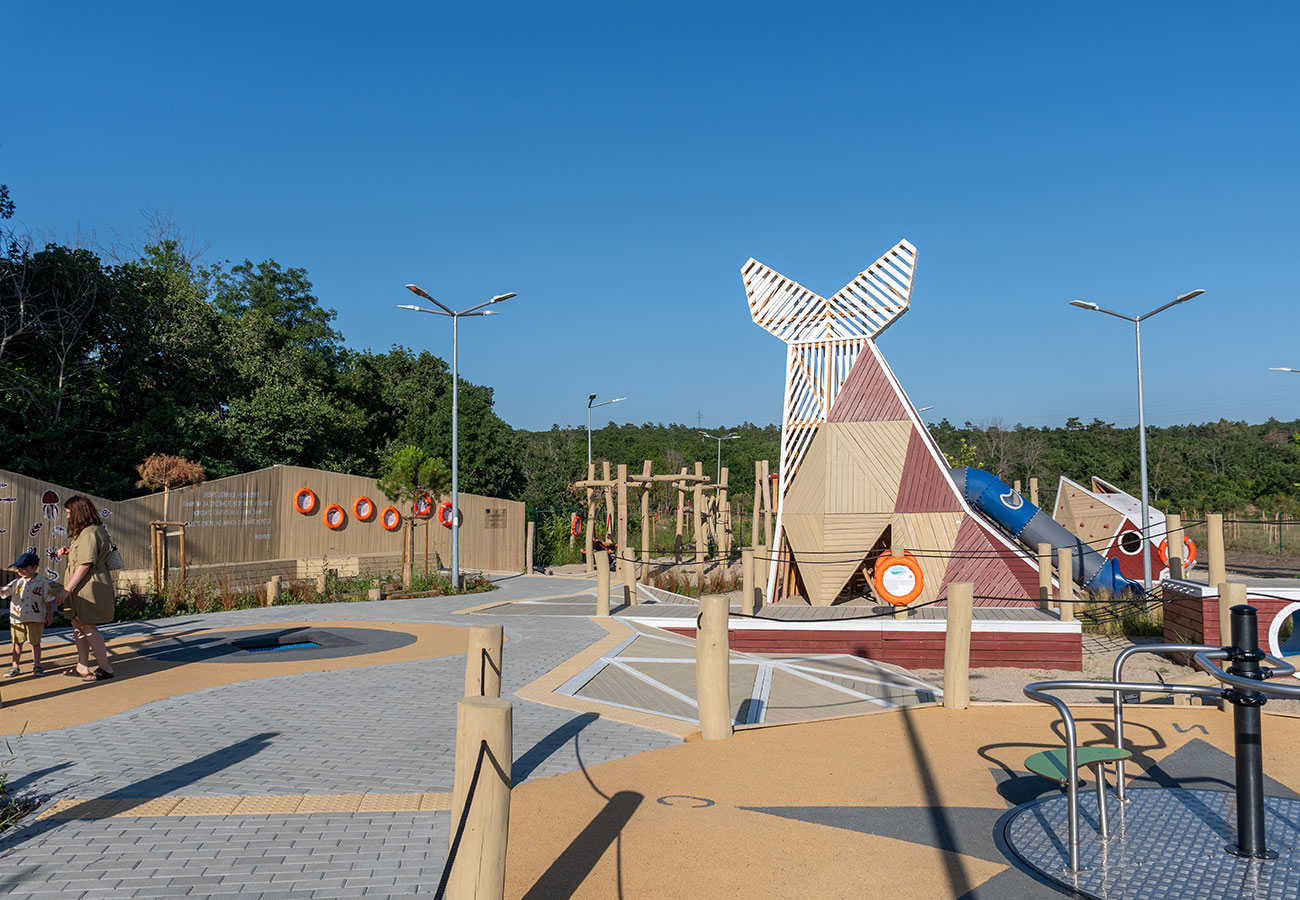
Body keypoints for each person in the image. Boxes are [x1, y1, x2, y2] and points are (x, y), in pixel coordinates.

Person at [53, 494, 116, 682]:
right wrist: (70, 552)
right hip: (83, 585)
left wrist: (67, 589)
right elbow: (87, 556)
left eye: (69, 512)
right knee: (78, 624)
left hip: (88, 585)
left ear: (78, 513)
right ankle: (82, 665)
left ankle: (105, 668)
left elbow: (86, 563)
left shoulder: (89, 533)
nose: (67, 516)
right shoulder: (90, 531)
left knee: (88, 626)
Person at [2, 551, 56, 677]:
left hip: (35, 617)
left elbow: (48, 600)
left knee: (35, 642)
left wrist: (50, 615)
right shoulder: (17, 582)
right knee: (17, 642)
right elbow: (4, 591)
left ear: (34, 567)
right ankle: (15, 666)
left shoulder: (42, 583)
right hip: (18, 618)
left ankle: (37, 666)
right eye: (18, 569)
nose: (20, 571)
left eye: (24, 568)